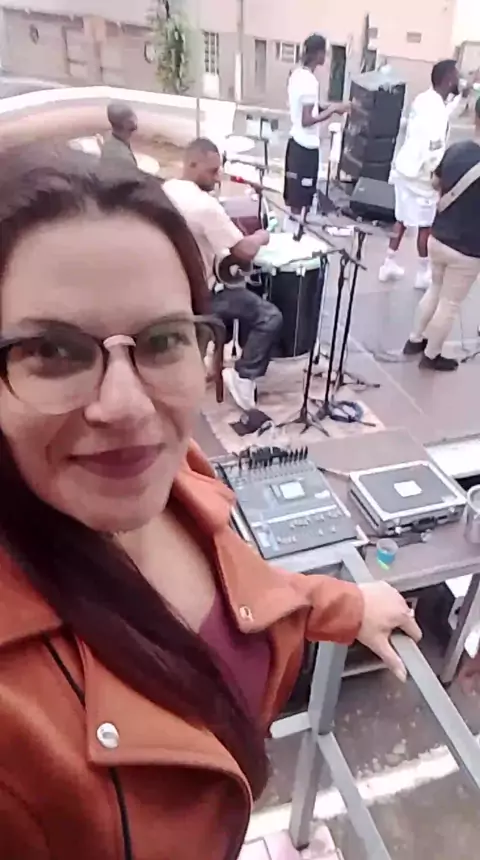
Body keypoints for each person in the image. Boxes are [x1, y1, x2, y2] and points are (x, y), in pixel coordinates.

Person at [0, 142, 421, 857]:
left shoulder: (175, 478)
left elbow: (243, 599)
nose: (127, 407)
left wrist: (347, 606)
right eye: (54, 352)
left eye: (163, 339)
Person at [164, 137, 282, 412]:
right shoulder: (205, 206)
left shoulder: (167, 190)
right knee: (270, 316)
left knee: (233, 291)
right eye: (212, 171)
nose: (218, 178)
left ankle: (211, 358)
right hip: (200, 298)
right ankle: (243, 376)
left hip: (170, 290)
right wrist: (262, 236)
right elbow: (244, 251)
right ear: (192, 164)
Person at [403, 96, 480, 371]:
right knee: (450, 303)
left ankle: (415, 340)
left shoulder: (457, 149)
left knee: (435, 289)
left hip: (438, 236)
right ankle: (432, 355)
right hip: (468, 248)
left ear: (475, 118)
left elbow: (436, 182)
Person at [379, 59, 465, 290]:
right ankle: (422, 273)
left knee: (401, 219)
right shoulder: (436, 111)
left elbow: (444, 115)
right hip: (421, 176)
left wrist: (461, 98)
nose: (459, 79)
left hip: (404, 169)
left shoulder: (424, 99)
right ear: (448, 79)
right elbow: (433, 151)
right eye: (457, 76)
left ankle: (388, 264)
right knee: (425, 226)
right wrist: (438, 180)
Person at [284, 33, 350, 226]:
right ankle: (295, 233)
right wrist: (332, 110)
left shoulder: (297, 74)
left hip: (295, 144)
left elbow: (311, 107)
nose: (326, 57)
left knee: (295, 199)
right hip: (305, 148)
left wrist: (334, 106)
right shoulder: (310, 82)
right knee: (302, 201)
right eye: (325, 52)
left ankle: (293, 230)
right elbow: (307, 120)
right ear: (318, 53)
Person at [100, 101, 138, 167]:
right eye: (133, 119)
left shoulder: (109, 137)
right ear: (127, 123)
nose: (136, 121)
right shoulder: (125, 158)